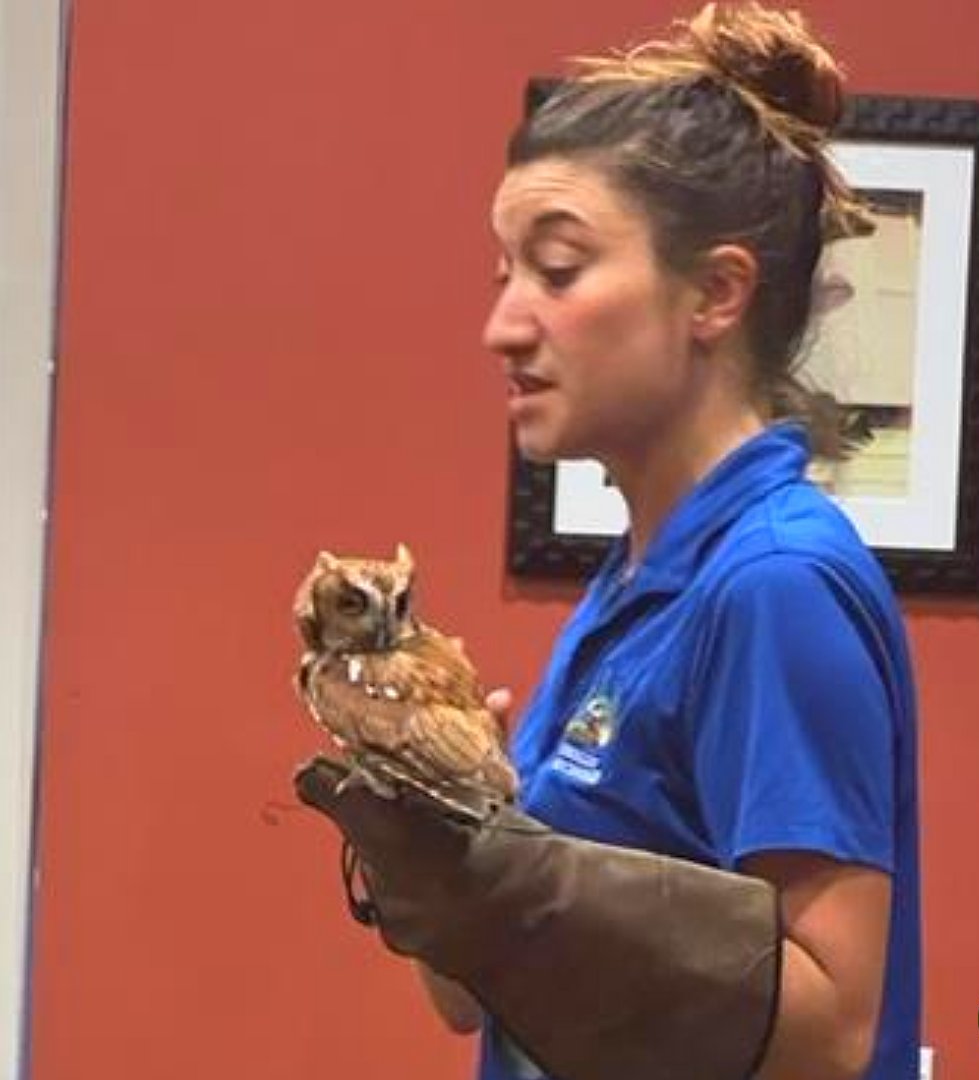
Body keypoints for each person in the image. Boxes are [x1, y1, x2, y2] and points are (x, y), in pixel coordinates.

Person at [295, 3, 921, 1079]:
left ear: (716, 293)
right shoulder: (634, 586)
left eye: (561, 269)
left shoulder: (774, 584)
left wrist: (531, 881)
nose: (504, 325)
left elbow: (827, 1034)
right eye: (505, 276)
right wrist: (442, 845)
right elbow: (472, 997)